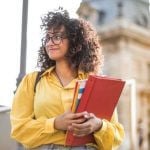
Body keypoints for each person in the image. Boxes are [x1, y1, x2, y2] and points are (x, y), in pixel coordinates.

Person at [10, 8, 124, 150]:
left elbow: (116, 139)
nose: (50, 43)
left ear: (75, 42)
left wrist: (99, 125)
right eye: (47, 38)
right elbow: (19, 129)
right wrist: (55, 123)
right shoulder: (32, 81)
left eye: (57, 37)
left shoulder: (96, 84)